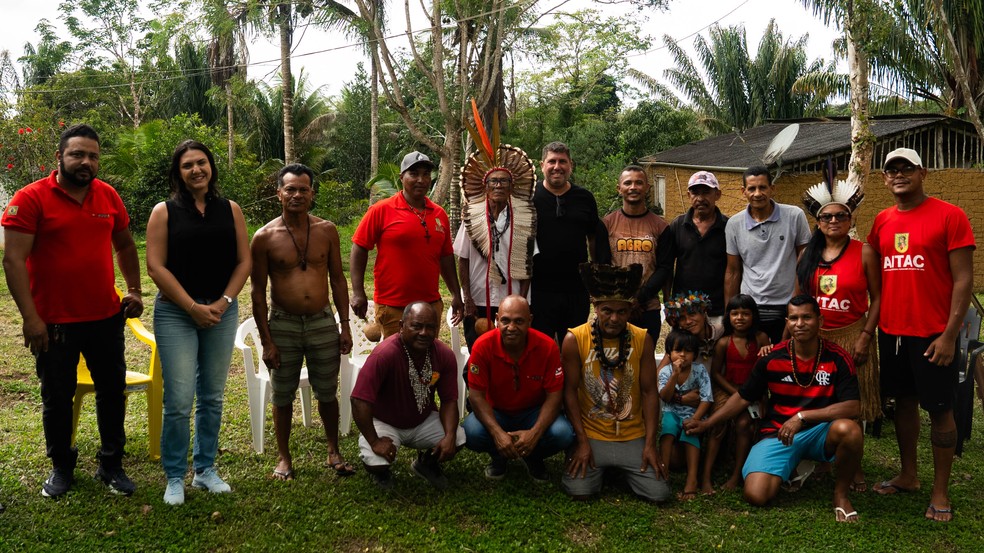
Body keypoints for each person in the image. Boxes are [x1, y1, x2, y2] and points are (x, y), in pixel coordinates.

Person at [2, 123, 143, 498]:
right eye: (77, 154)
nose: (86, 162)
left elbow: (126, 246)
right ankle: (62, 467)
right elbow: (13, 261)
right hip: (54, 323)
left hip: (105, 317)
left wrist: (134, 289)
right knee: (57, 398)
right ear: (60, 157)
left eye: (93, 156)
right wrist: (31, 319)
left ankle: (111, 465)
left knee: (112, 392)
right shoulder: (31, 198)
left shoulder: (108, 195)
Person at [684, 295, 864, 522]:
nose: (800, 324)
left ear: (820, 321)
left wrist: (803, 416)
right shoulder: (772, 358)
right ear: (787, 323)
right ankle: (795, 463)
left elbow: (853, 406)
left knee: (850, 430)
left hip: (820, 432)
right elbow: (743, 397)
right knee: (756, 494)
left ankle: (840, 495)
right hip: (779, 432)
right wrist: (707, 423)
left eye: (807, 317)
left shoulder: (838, 358)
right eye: (794, 318)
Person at [867, 148, 975, 523]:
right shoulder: (882, 221)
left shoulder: (950, 215)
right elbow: (872, 260)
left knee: (941, 410)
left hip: (933, 334)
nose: (899, 174)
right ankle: (908, 475)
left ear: (922, 173)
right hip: (893, 331)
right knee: (904, 403)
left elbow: (964, 281)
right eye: (891, 170)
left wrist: (949, 335)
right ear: (884, 179)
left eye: (907, 168)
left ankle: (940, 491)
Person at [146, 140, 251, 505]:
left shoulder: (230, 209)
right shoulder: (164, 211)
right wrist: (191, 306)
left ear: (211, 167)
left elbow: (244, 261)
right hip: (176, 312)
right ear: (178, 173)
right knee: (178, 399)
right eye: (187, 165)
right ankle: (175, 476)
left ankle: (205, 469)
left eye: (201, 162)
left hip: (221, 311)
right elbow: (155, 266)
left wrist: (223, 302)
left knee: (212, 396)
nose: (196, 170)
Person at [250, 164, 355, 481]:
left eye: (303, 189)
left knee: (327, 391)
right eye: (290, 189)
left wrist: (345, 325)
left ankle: (333, 450)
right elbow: (257, 292)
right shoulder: (264, 237)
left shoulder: (326, 230)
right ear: (279, 193)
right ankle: (284, 457)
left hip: (322, 320)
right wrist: (267, 341)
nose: (297, 195)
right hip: (283, 323)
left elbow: (337, 279)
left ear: (312, 194)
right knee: (282, 394)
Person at [796, 178, 880, 491]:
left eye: (840, 216)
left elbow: (878, 298)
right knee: (820, 400)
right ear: (818, 222)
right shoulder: (807, 255)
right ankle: (823, 459)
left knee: (851, 402)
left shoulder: (865, 252)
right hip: (816, 339)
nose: (834, 221)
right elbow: (797, 299)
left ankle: (853, 464)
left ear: (850, 219)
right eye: (827, 216)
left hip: (852, 336)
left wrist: (866, 336)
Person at [561, 263, 670, 503]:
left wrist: (650, 445)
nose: (614, 318)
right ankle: (604, 466)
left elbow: (649, 392)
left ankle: (618, 466)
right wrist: (581, 442)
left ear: (630, 310)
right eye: (607, 310)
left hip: (632, 434)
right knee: (579, 491)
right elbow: (569, 392)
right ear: (595, 307)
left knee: (659, 494)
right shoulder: (574, 339)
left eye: (622, 312)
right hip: (592, 434)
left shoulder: (642, 338)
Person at [350, 302, 465, 490]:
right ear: (401, 326)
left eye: (430, 327)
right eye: (417, 326)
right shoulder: (384, 354)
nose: (424, 333)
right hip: (384, 421)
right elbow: (358, 400)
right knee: (376, 461)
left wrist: (450, 436)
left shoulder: (444, 354)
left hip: (422, 419)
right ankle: (382, 473)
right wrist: (375, 441)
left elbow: (449, 401)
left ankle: (425, 464)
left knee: (458, 438)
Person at [350, 151, 463, 339]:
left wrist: (456, 294)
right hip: (393, 306)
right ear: (401, 177)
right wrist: (358, 292)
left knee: (428, 354)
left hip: (430, 305)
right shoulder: (381, 210)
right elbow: (359, 248)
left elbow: (446, 257)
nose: (421, 180)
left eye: (426, 174)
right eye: (414, 174)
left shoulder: (439, 214)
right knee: (396, 355)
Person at [462, 295, 574, 481]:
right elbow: (476, 397)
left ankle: (533, 456)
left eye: (519, 321)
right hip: (496, 412)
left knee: (563, 433)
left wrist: (534, 433)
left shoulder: (547, 347)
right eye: (505, 321)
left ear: (530, 320)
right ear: (497, 319)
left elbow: (555, 396)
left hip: (533, 412)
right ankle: (499, 456)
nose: (511, 327)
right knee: (470, 432)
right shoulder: (482, 346)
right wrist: (498, 434)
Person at [455, 130, 537, 349]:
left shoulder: (523, 219)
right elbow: (463, 259)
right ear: (486, 186)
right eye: (494, 181)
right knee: (478, 351)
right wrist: (467, 298)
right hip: (478, 301)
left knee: (512, 353)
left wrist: (523, 301)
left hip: (513, 303)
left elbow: (528, 265)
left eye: (504, 182)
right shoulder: (472, 218)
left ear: (512, 187)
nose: (499, 186)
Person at [531, 142, 610, 345]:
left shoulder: (585, 198)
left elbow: (593, 236)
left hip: (576, 289)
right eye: (552, 161)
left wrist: (595, 276)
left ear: (571, 165)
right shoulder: (529, 197)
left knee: (574, 346)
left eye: (562, 162)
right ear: (542, 165)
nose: (557, 167)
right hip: (539, 289)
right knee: (541, 347)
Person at [725, 166, 812, 344]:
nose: (758, 193)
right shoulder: (734, 224)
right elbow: (732, 271)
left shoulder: (794, 216)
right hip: (750, 306)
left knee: (786, 354)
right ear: (743, 191)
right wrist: (730, 313)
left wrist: (797, 302)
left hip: (787, 303)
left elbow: (805, 262)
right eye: (752, 188)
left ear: (772, 188)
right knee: (753, 356)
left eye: (763, 187)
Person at [706, 294, 771, 491]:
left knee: (744, 424)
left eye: (745, 313)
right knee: (718, 423)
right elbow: (716, 374)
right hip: (728, 389)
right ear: (729, 316)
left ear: (753, 316)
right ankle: (705, 476)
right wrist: (737, 392)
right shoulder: (724, 342)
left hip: (754, 391)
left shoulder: (761, 338)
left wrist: (758, 396)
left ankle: (737, 474)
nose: (740, 318)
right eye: (735, 313)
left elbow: (767, 372)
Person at [603, 165, 671, 343]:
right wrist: (623, 300)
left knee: (645, 356)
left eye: (639, 183)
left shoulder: (661, 226)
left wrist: (639, 299)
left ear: (647, 187)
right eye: (628, 183)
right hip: (614, 308)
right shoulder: (607, 224)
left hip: (647, 308)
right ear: (619, 188)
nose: (633, 187)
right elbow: (603, 264)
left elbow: (664, 268)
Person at [664, 171, 729, 324]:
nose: (700, 198)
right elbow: (667, 267)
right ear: (688, 195)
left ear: (717, 194)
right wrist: (668, 303)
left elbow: (734, 271)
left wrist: (729, 308)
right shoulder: (678, 225)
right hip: (684, 308)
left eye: (706, 192)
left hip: (717, 309)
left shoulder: (728, 226)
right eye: (695, 193)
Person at [658, 330, 713, 501]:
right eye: (678, 350)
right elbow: (665, 396)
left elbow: (706, 398)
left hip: (693, 414)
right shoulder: (665, 371)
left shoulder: (700, 370)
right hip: (671, 411)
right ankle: (663, 470)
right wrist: (674, 375)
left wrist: (696, 419)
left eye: (688, 351)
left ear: (695, 355)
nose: (682, 355)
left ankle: (692, 479)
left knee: (691, 433)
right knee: (667, 429)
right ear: (669, 353)